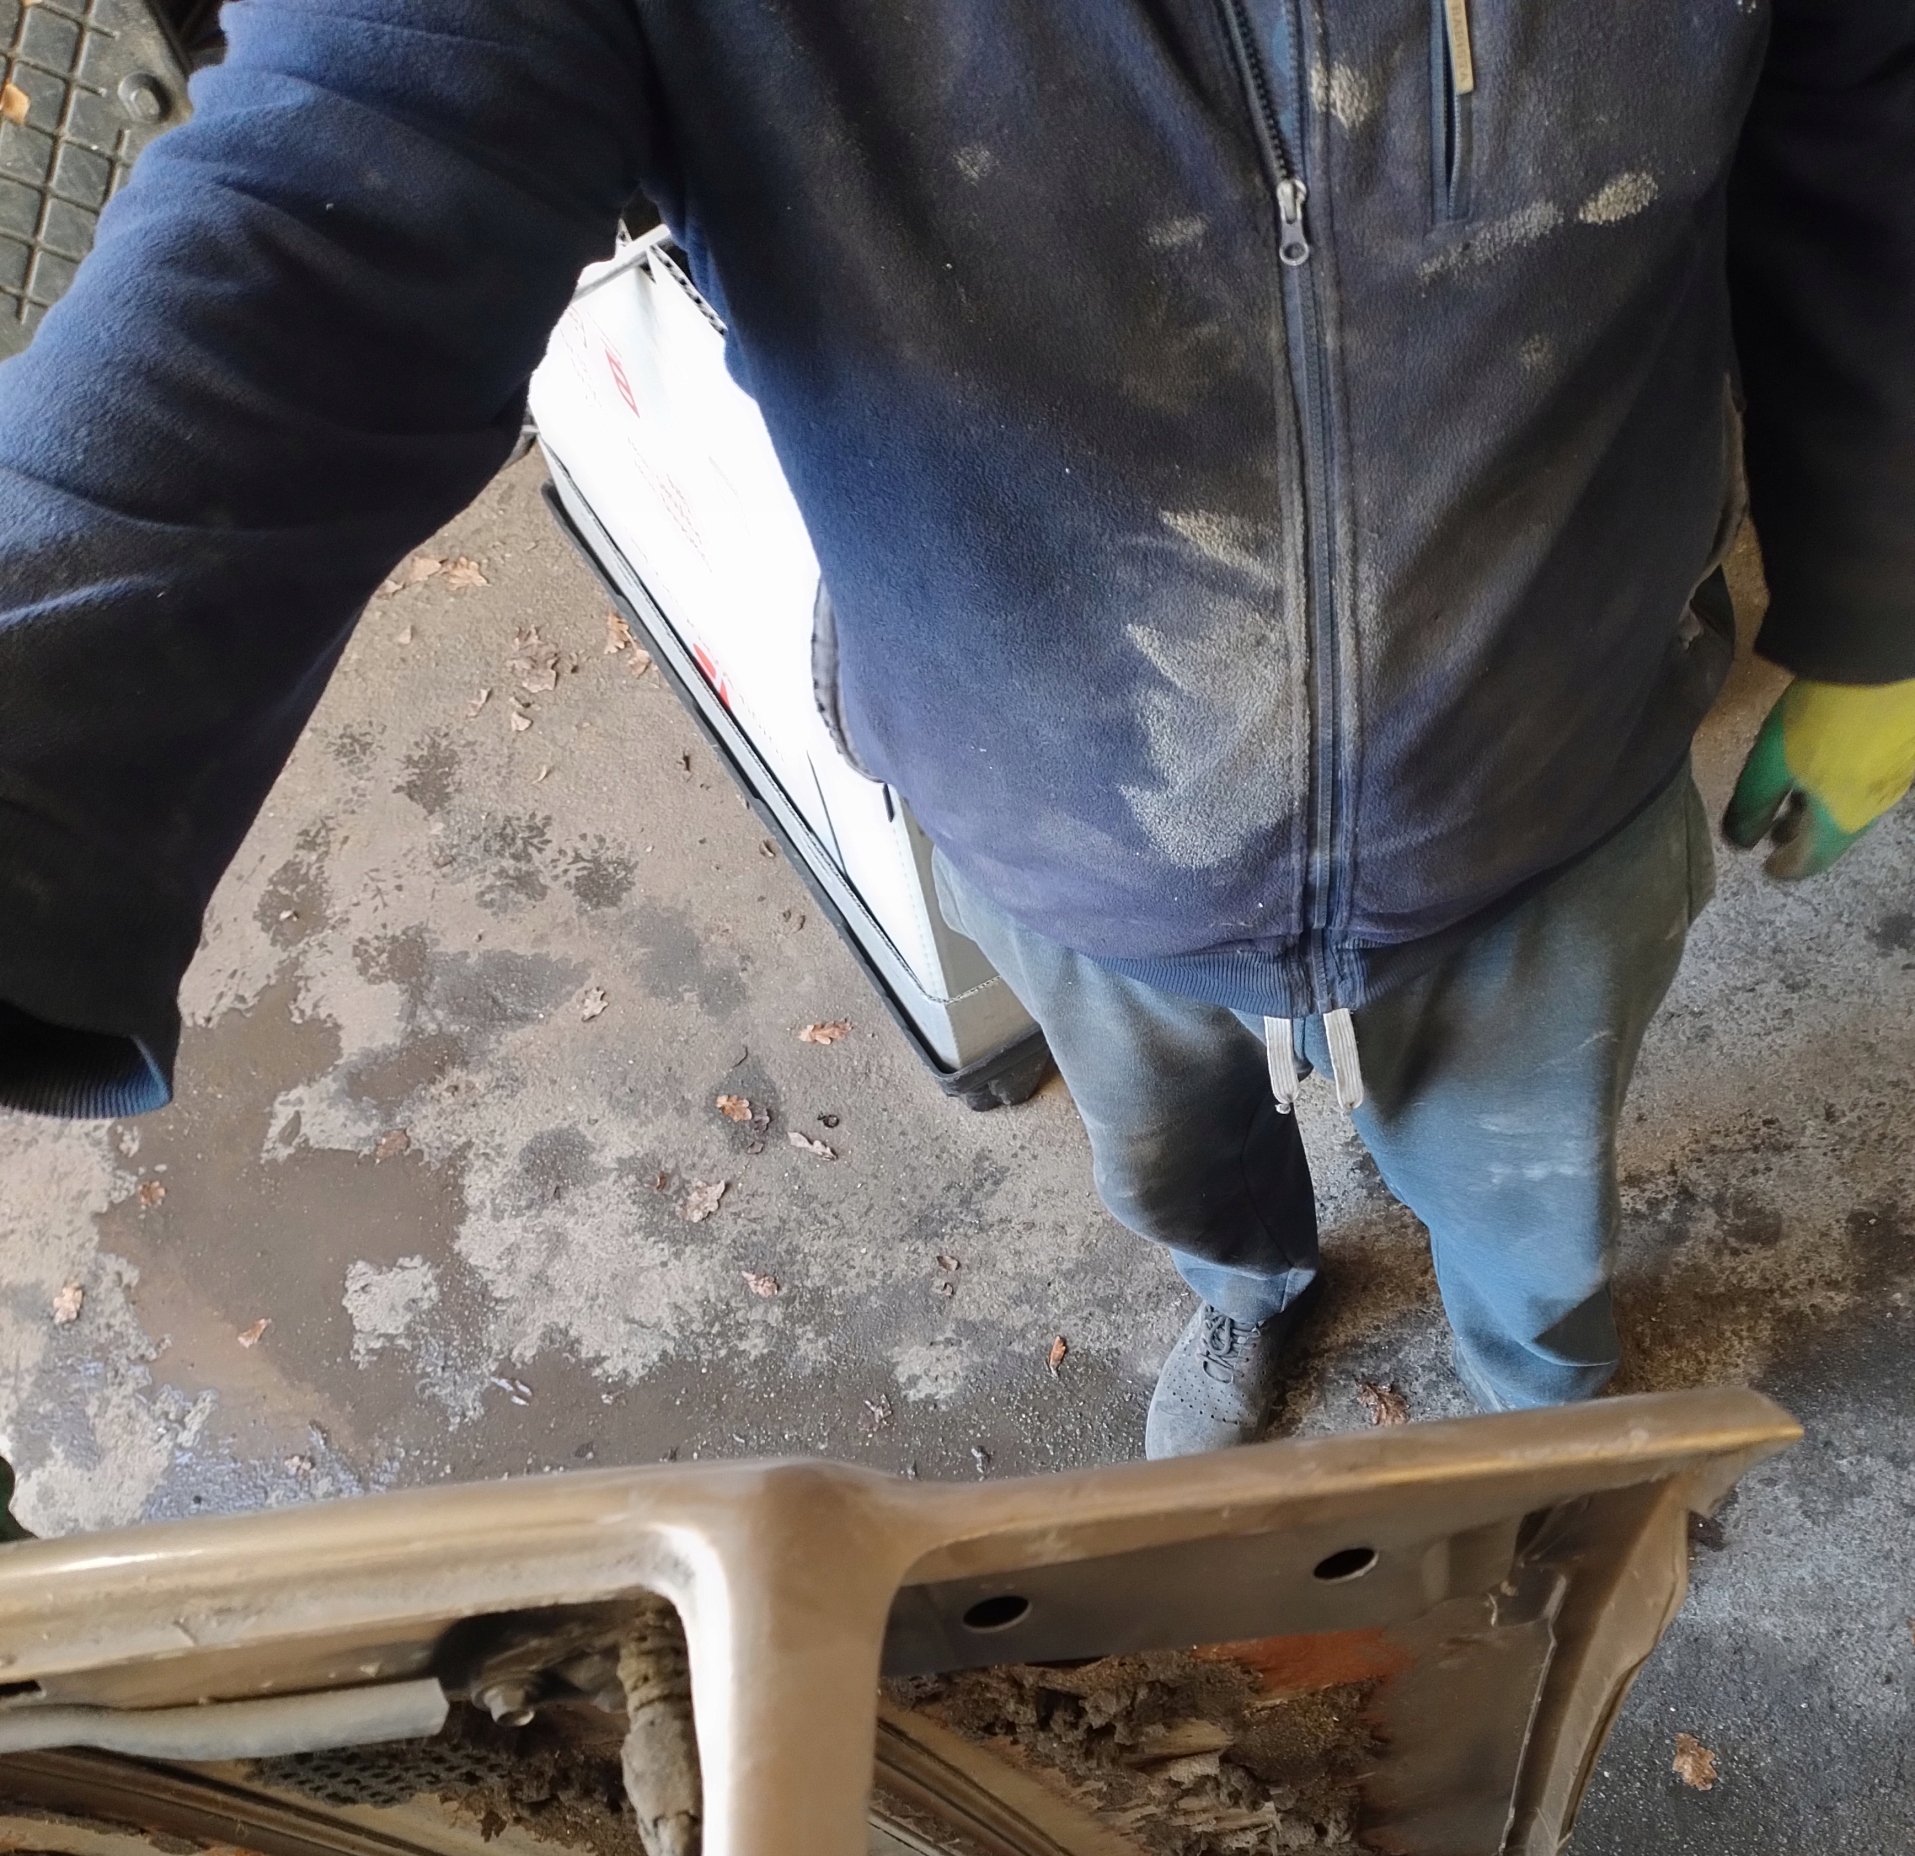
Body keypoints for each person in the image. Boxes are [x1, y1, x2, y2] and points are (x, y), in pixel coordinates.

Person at [0, 0, 1910, 1461]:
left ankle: (1539, 1404)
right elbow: (326, 208)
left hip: (1547, 774)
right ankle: (1250, 1286)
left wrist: (1884, 603)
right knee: (1172, 1157)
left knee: (1527, 1197)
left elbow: (1871, 141)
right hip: (1056, 798)